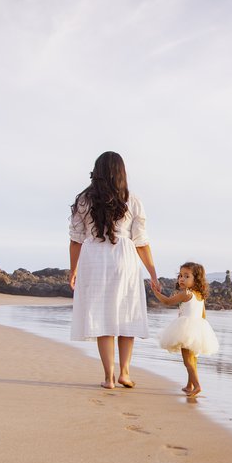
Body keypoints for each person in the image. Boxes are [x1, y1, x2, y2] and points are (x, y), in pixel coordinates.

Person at [69, 151, 160, 389]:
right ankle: (125, 373)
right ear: (121, 172)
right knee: (126, 312)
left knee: (102, 316)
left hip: (93, 259)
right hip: (124, 258)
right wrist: (152, 272)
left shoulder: (83, 201)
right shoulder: (132, 200)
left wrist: (73, 270)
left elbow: (76, 240)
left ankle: (108, 377)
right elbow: (141, 241)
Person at [152, 262, 219, 397]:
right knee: (193, 359)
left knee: (187, 361)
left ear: (196, 279)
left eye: (186, 276)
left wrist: (156, 292)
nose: (181, 279)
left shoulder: (186, 294)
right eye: (180, 275)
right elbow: (203, 315)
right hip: (198, 329)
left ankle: (197, 386)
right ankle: (190, 385)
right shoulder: (200, 295)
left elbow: (167, 301)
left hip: (186, 329)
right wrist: (201, 331)